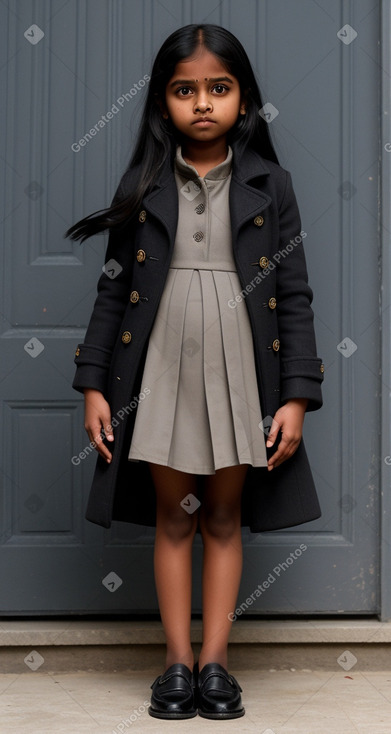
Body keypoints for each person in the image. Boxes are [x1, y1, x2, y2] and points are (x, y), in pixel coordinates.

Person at [66, 23, 324, 721]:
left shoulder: (273, 186)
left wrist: (296, 396)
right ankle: (175, 664)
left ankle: (217, 665)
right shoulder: (142, 185)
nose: (202, 103)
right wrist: (94, 383)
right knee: (173, 516)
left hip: (243, 368)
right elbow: (114, 289)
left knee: (222, 515)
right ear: (162, 104)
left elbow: (294, 294)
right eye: (185, 90)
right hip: (158, 367)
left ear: (243, 100)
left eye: (218, 88)